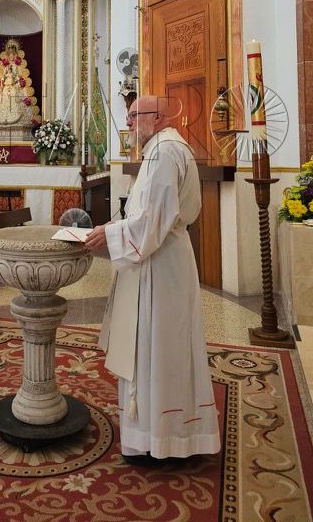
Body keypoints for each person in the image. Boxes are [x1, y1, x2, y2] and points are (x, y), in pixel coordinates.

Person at [85, 95, 220, 464]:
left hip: (159, 265)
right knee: (163, 346)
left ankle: (159, 440)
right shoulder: (165, 148)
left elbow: (153, 221)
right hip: (164, 259)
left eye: (134, 116)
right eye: (128, 116)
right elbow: (150, 214)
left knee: (155, 346)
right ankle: (164, 434)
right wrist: (117, 228)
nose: (128, 123)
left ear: (157, 117)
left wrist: (108, 233)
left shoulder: (163, 153)